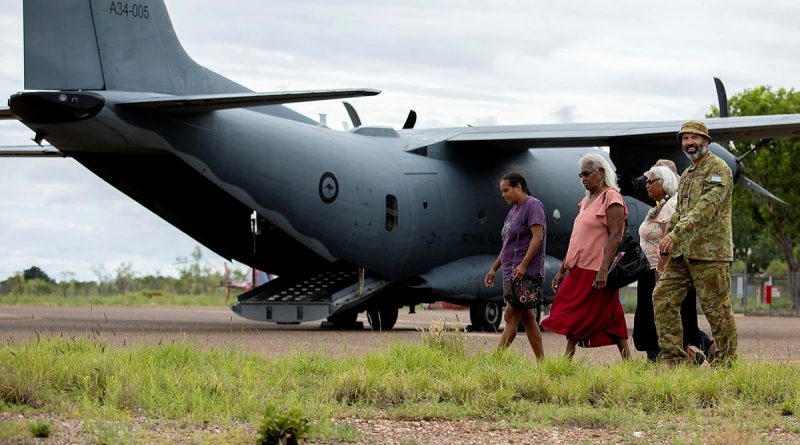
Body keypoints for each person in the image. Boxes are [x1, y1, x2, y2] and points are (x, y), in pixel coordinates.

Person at [653, 120, 737, 366]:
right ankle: (673, 359)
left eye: (694, 138)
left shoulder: (718, 169)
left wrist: (675, 235)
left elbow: (704, 209)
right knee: (663, 297)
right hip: (683, 254)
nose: (689, 143)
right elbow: (680, 210)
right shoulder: (688, 174)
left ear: (706, 141)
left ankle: (727, 365)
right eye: (684, 139)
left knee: (717, 310)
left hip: (710, 255)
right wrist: (668, 235)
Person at [541, 154, 630, 359]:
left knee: (580, 313)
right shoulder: (585, 201)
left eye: (587, 174)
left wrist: (603, 270)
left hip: (596, 269)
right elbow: (577, 239)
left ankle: (567, 358)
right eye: (580, 175)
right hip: (578, 268)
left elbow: (616, 235)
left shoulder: (612, 198)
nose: (583, 179)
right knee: (604, 313)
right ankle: (625, 359)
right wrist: (563, 268)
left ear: (601, 173)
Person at [635, 165, 714, 362]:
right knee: (654, 321)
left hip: (663, 271)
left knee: (665, 320)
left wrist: (662, 269)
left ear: (666, 182)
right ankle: (688, 358)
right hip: (650, 270)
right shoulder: (660, 206)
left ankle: (679, 359)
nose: (647, 185)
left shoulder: (672, 206)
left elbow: (670, 240)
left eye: (652, 181)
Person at [484, 172, 546, 359]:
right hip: (511, 273)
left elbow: (538, 237)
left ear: (519, 187)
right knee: (527, 318)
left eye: (506, 190)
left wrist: (524, 265)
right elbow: (507, 246)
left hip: (524, 274)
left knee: (511, 316)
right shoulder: (513, 211)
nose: (503, 194)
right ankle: (542, 363)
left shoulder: (533, 206)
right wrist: (494, 268)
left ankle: (496, 360)